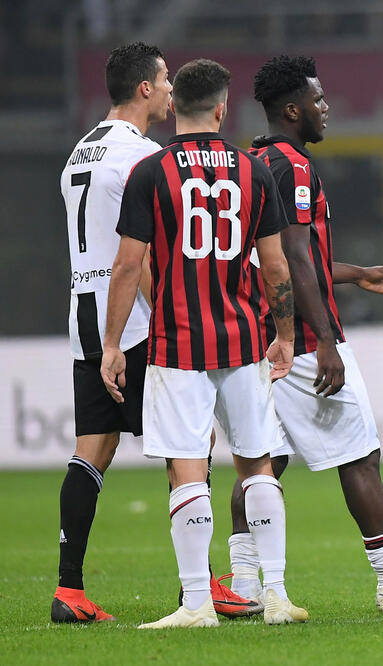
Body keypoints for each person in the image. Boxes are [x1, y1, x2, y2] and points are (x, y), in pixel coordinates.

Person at [224, 55, 383, 613]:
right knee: (361, 457)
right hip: (303, 344)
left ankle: (243, 586)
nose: (326, 108)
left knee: (264, 463)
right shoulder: (294, 167)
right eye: (318, 99)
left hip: (256, 341)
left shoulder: (252, 162)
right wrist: (326, 338)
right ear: (292, 108)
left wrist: (358, 274)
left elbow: (277, 259)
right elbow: (297, 258)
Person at [101, 58, 308, 628]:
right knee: (257, 464)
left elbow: (126, 267)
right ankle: (278, 596)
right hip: (243, 338)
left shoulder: (151, 172)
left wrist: (113, 343)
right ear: (222, 108)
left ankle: (196, 603)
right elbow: (275, 267)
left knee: (187, 467)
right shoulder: (253, 171)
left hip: (177, 343)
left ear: (177, 110)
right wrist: (285, 335)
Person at [53, 42, 171, 624]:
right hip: (135, 320)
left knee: (92, 450)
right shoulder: (140, 157)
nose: (172, 90)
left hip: (85, 315)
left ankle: (68, 590)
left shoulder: (80, 152)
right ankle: (196, 589)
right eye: (166, 79)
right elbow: (139, 254)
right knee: (186, 443)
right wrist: (169, 314)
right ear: (145, 88)